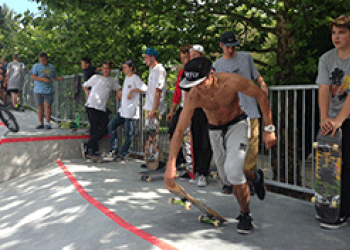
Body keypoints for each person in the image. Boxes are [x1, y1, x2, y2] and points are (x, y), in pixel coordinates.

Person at [164, 57, 276, 234]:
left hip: (237, 124)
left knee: (234, 172)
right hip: (214, 129)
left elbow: (261, 96)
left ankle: (245, 214)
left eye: (201, 83)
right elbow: (179, 131)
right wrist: (170, 165)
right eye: (194, 84)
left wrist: (269, 129)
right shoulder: (194, 95)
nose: (198, 88)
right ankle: (255, 177)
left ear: (212, 75)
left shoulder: (232, 81)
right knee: (226, 178)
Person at [213, 31, 269, 197]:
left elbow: (256, 75)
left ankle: (250, 180)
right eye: (227, 47)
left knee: (250, 150)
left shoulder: (246, 58)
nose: (231, 50)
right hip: (230, 115)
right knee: (230, 150)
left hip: (250, 110)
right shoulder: (217, 65)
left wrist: (262, 85)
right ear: (221, 46)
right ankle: (230, 181)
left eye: (233, 47)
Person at [316, 14, 350, 230]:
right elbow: (323, 90)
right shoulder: (326, 59)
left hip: (347, 117)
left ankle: (343, 212)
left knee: (346, 165)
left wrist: (339, 119)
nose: (336, 37)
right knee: (329, 165)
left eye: (342, 32)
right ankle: (330, 208)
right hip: (333, 118)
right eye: (334, 33)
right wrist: (324, 119)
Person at [105, 60, 147, 162]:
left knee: (128, 134)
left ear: (131, 68)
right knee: (111, 126)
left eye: (125, 67)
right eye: (123, 67)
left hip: (131, 111)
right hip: (123, 110)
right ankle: (114, 149)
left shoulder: (135, 78)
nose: (124, 69)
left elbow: (145, 88)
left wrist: (133, 91)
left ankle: (124, 153)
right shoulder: (126, 78)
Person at [81, 61, 121, 158]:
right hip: (91, 105)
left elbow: (119, 89)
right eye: (103, 68)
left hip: (102, 108)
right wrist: (88, 94)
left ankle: (88, 145)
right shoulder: (96, 77)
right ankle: (93, 150)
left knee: (105, 129)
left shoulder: (111, 81)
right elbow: (85, 85)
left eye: (107, 68)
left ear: (110, 69)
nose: (105, 70)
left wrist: (117, 94)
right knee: (94, 128)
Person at [188, 44, 213, 187]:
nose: (192, 58)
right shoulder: (190, 71)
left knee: (206, 142)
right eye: (191, 56)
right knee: (195, 140)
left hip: (208, 109)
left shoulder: (209, 69)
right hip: (195, 109)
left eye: (195, 56)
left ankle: (204, 172)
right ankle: (196, 170)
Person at [166, 44, 192, 176]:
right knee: (172, 129)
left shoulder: (196, 72)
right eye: (181, 58)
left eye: (186, 58)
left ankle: (191, 165)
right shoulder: (181, 73)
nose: (183, 61)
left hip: (192, 108)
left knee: (189, 136)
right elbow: (177, 92)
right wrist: (172, 110)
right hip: (182, 107)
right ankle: (180, 159)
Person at [141, 47, 167, 168]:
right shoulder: (152, 70)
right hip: (149, 105)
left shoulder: (159, 70)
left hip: (154, 107)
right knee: (150, 135)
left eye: (146, 57)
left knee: (152, 135)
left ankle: (154, 161)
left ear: (152, 57)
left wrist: (154, 109)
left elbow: (158, 90)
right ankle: (155, 160)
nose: (145, 60)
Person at [30, 52, 64, 129]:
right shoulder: (36, 66)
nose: (43, 62)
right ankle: (40, 122)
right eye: (41, 60)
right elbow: (33, 76)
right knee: (40, 106)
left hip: (48, 90)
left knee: (48, 106)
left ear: (47, 59)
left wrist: (59, 79)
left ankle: (48, 123)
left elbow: (55, 77)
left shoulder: (51, 67)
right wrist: (42, 79)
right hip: (38, 90)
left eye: (44, 60)